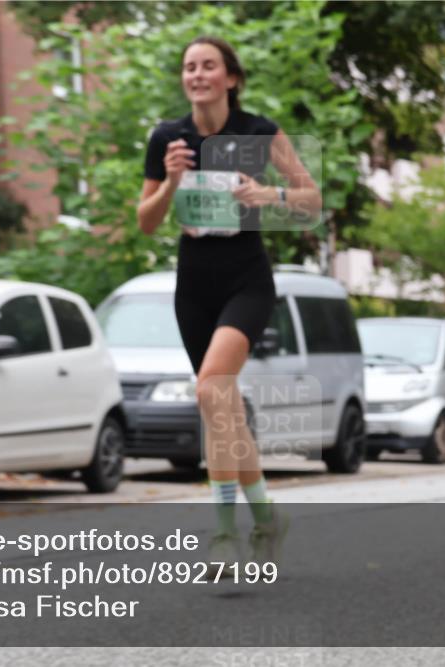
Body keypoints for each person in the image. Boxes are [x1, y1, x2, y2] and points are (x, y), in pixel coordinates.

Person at [136, 37, 321, 571]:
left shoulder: (258, 132)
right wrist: (170, 182)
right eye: (189, 66)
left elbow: (310, 201)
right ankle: (266, 517)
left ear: (230, 78)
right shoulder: (168, 137)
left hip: (246, 278)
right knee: (222, 408)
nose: (197, 74)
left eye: (208, 66)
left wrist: (270, 196)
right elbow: (146, 222)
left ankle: (222, 532)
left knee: (212, 390)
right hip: (194, 281)